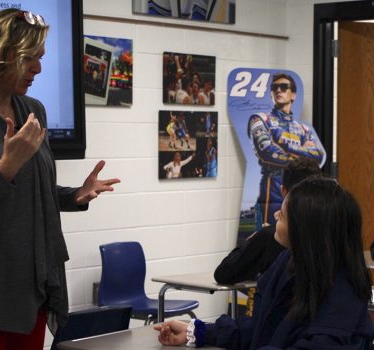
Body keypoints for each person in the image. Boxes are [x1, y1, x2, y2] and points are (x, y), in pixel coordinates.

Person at [0, 9, 120, 350]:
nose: (38, 69)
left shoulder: (33, 110)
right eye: (29, 58)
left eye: (41, 58)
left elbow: (32, 192)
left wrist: (75, 195)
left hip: (29, 290)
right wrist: (5, 167)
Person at [155, 177, 374, 349]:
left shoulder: (342, 290)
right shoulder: (287, 262)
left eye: (285, 215)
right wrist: (198, 331)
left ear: (305, 231)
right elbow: (260, 328)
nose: (277, 214)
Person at [214, 158, 322, 285]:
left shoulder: (270, 237)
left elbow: (223, 274)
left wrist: (252, 240)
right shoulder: (335, 234)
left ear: (283, 191)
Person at [247, 73, 325, 230]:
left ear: (294, 95)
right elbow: (267, 150)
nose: (278, 90)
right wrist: (303, 153)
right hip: (274, 187)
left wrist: (285, 145)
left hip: (303, 187)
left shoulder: (304, 128)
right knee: (272, 237)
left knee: (303, 236)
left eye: (283, 87)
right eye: (275, 87)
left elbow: (318, 156)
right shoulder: (260, 119)